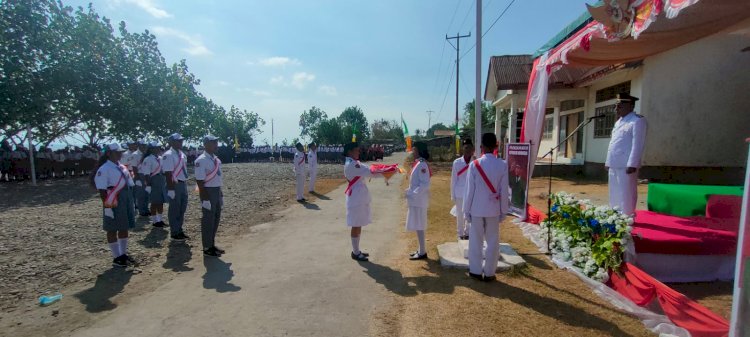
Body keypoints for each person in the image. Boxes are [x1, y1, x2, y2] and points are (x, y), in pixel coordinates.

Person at [463, 133, 509, 282]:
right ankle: (489, 273)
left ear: (481, 147)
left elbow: (469, 191)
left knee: (475, 241)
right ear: (496, 146)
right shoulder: (502, 164)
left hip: (476, 208)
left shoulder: (474, 164)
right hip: (493, 209)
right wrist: (504, 211)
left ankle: (475, 271)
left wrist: (466, 210)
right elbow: (504, 191)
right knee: (493, 242)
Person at [94, 143, 136, 267]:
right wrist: (107, 207)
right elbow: (102, 190)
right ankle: (116, 256)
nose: (120, 154)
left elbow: (129, 183)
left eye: (120, 152)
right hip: (113, 198)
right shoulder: (104, 169)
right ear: (109, 153)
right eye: (117, 152)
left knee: (124, 225)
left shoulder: (122, 166)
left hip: (125, 197)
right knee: (112, 228)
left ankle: (123, 253)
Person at [605, 92, 647, 216]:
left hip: (626, 164)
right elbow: (613, 143)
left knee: (627, 192)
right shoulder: (619, 122)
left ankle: (627, 216)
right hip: (614, 162)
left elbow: (637, 144)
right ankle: (615, 215)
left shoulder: (637, 121)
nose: (616, 109)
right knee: (614, 191)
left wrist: (633, 164)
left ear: (630, 106)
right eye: (616, 106)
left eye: (620, 106)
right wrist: (608, 161)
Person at [345, 142, 386, 262]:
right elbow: (370, 172)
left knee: (359, 223)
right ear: (349, 152)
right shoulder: (352, 164)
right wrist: (388, 171)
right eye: (356, 150)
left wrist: (386, 169)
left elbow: (370, 168)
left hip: (359, 197)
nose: (359, 152)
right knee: (356, 224)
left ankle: (357, 250)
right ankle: (355, 252)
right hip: (356, 199)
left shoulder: (354, 162)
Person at [195, 135, 225, 257]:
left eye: (216, 142)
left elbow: (218, 178)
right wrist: (205, 198)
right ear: (206, 144)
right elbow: (200, 182)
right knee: (208, 220)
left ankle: (211, 243)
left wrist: (221, 193)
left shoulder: (216, 160)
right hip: (207, 191)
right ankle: (207, 247)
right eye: (213, 143)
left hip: (216, 191)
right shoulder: (200, 160)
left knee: (216, 218)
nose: (216, 145)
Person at [405, 142, 432, 260]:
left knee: (420, 225)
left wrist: (412, 193)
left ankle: (422, 252)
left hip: (419, 200)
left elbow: (425, 184)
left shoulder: (421, 165)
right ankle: (421, 249)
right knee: (418, 225)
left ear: (419, 151)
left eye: (415, 150)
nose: (413, 152)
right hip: (416, 200)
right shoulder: (418, 163)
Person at [163, 133, 190, 241]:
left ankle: (179, 229)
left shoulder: (182, 154)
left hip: (182, 183)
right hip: (174, 184)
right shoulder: (168, 155)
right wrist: (170, 189)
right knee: (174, 209)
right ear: (171, 142)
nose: (180, 142)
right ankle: (175, 232)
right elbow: (168, 173)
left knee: (182, 208)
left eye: (181, 140)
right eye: (178, 141)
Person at [451, 139, 474, 240]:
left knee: (470, 213)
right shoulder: (457, 162)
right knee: (460, 214)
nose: (467, 150)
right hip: (459, 192)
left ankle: (468, 232)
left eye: (469, 148)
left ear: (473, 149)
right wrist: (453, 194)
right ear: (462, 149)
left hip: (471, 192)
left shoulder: (476, 162)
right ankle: (460, 234)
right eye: (465, 148)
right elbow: (453, 179)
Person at [141, 142, 167, 228]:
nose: (158, 149)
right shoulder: (148, 159)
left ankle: (160, 219)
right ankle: (155, 221)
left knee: (161, 201)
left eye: (159, 147)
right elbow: (146, 174)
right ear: (151, 149)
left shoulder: (160, 158)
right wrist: (148, 185)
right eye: (156, 148)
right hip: (153, 180)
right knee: (154, 202)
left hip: (161, 180)